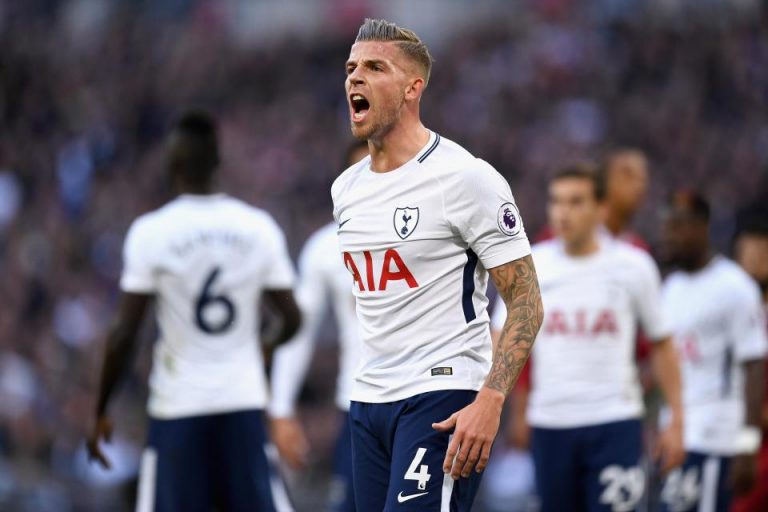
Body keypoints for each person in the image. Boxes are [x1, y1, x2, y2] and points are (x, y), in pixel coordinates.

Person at [332, 18, 543, 511]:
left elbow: (527, 301)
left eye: (374, 67)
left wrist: (490, 399)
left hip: (442, 394)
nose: (355, 77)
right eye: (351, 68)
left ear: (413, 88)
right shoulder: (346, 189)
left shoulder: (465, 178)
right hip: (368, 400)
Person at [85, 111, 300, 512]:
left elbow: (124, 333)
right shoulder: (257, 227)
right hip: (241, 402)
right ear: (218, 162)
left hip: (178, 408)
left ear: (171, 166)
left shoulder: (152, 232)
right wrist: (262, 348)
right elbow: (291, 318)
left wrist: (101, 409)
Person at [491, 165, 685, 512]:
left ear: (601, 208)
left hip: (615, 422)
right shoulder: (531, 266)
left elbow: (662, 345)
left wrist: (677, 421)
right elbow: (501, 340)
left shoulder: (634, 265)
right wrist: (489, 404)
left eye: (576, 201)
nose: (563, 212)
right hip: (550, 424)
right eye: (556, 201)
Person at [269, 140, 369, 512]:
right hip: (358, 404)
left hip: (423, 400)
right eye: (361, 172)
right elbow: (299, 331)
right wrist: (281, 408)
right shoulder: (327, 248)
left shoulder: (429, 237)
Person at [659, 192, 767, 512]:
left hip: (715, 438)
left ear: (702, 227)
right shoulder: (671, 287)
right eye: (667, 226)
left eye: (678, 226)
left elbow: (754, 365)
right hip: (678, 435)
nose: (669, 235)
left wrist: (748, 442)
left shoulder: (735, 287)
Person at [731, 205, 768, 512]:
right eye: (749, 251)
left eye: (763, 251)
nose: (756, 260)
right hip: (733, 440)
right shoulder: (724, 312)